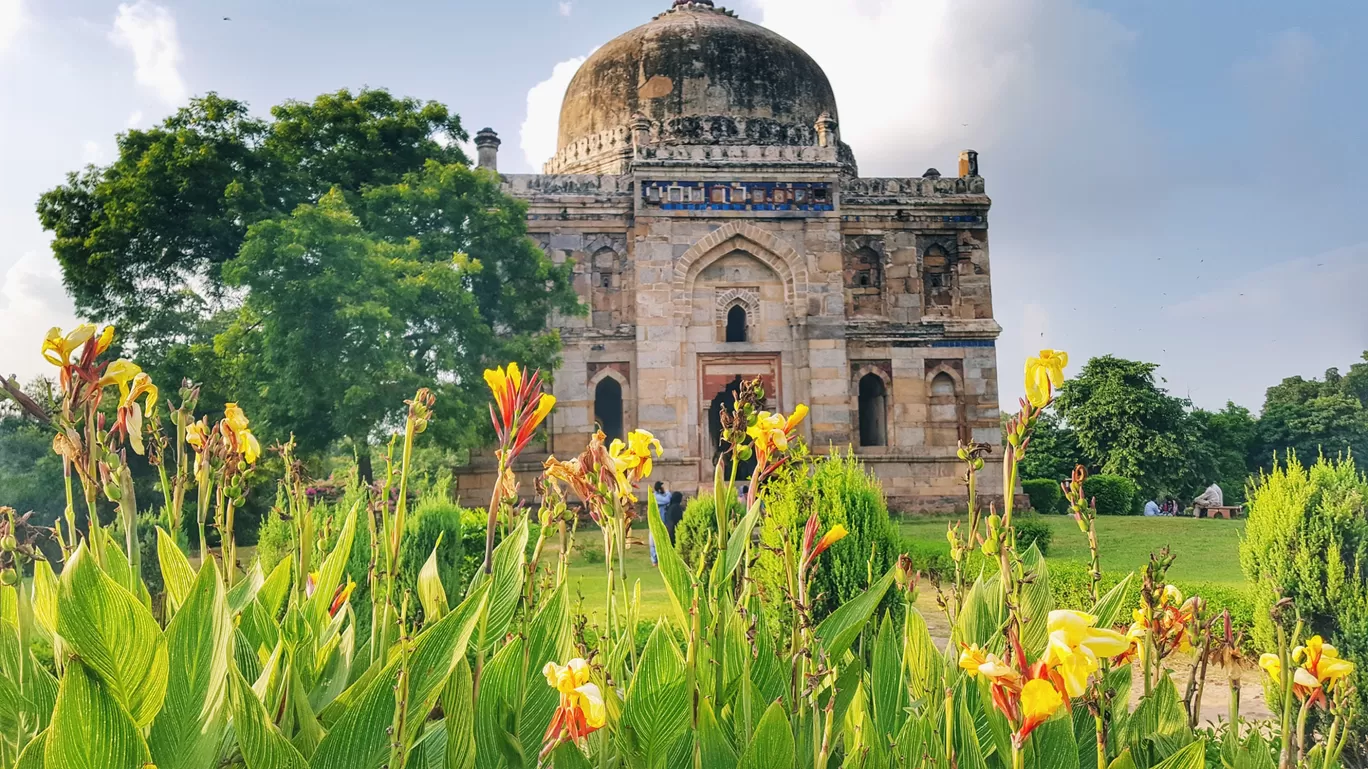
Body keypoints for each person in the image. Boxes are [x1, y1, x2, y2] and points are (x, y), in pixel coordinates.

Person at [650, 482, 671, 566]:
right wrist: (668, 491)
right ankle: (654, 560)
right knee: (653, 541)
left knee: (662, 540)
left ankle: (661, 559)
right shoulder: (656, 497)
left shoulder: (660, 495)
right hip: (655, 521)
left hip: (662, 521)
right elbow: (667, 500)